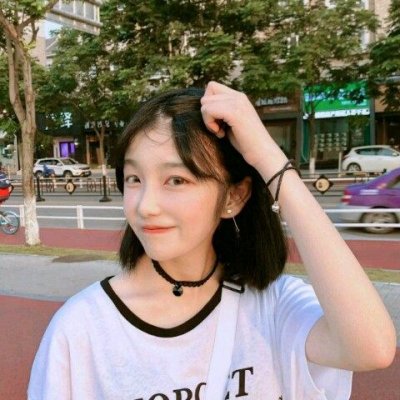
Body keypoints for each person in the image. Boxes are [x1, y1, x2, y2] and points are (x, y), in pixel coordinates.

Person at [28, 82, 396, 400]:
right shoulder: (81, 329)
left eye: (177, 180)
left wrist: (268, 157)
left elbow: (372, 348)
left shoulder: (273, 307)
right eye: (135, 179)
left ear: (234, 196)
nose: (145, 206)